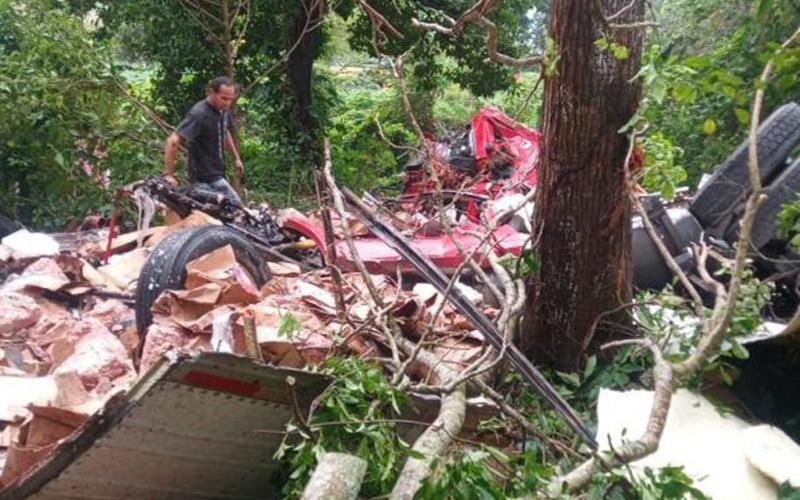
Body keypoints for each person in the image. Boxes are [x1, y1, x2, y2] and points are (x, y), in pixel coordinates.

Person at [163, 76, 244, 204]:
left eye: (230, 99)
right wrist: (168, 174)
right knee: (235, 207)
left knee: (225, 213)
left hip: (217, 173)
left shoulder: (223, 110)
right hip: (202, 178)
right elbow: (173, 141)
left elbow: (224, 131)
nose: (227, 103)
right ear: (210, 92)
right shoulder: (199, 114)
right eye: (223, 98)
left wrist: (236, 158)